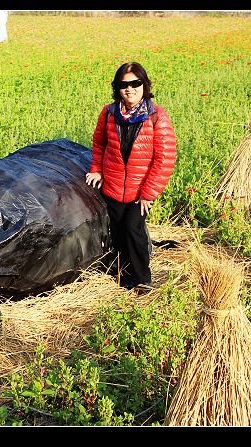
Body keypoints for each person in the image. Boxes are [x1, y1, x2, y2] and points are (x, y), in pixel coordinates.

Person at [85, 62, 177, 291]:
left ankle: (142, 279)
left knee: (133, 229)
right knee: (117, 231)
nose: (130, 89)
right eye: (124, 85)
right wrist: (96, 169)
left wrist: (149, 193)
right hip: (114, 186)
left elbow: (164, 159)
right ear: (117, 88)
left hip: (140, 191)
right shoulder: (109, 113)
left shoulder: (157, 117)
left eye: (135, 83)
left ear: (144, 85)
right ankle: (123, 276)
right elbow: (99, 144)